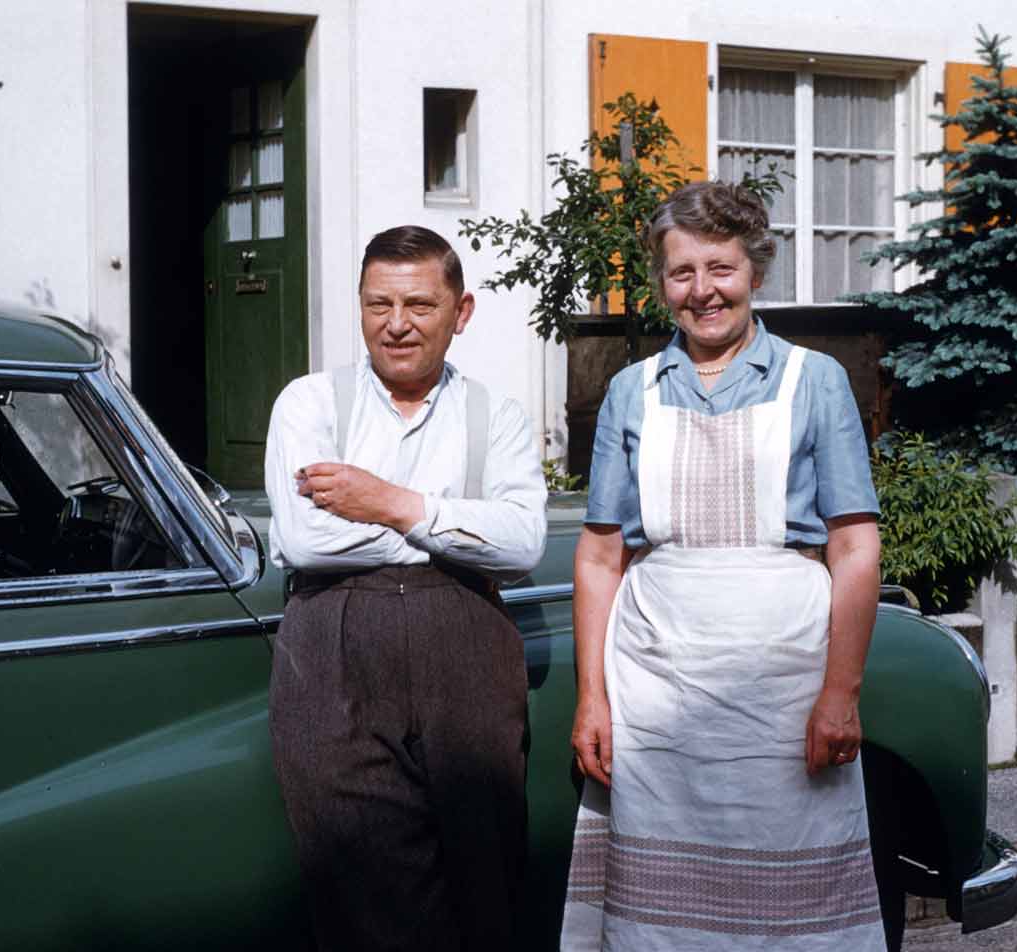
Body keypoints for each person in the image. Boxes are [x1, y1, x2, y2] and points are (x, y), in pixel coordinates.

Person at [561, 181, 888, 951]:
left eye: (720, 269)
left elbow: (854, 545)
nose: (702, 291)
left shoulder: (816, 380)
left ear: (755, 272)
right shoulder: (630, 391)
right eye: (682, 273)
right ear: (661, 284)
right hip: (655, 689)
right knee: (662, 919)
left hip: (785, 689)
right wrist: (592, 700)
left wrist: (839, 693)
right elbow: (602, 555)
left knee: (790, 912)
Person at [265, 225, 547, 952]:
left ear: (462, 311)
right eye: (377, 304)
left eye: (419, 305)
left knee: (485, 872)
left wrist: (391, 502)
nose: (396, 325)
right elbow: (304, 539)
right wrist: (451, 526)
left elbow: (522, 544)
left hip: (466, 643)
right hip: (332, 645)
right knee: (357, 876)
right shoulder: (310, 403)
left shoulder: (499, 416)